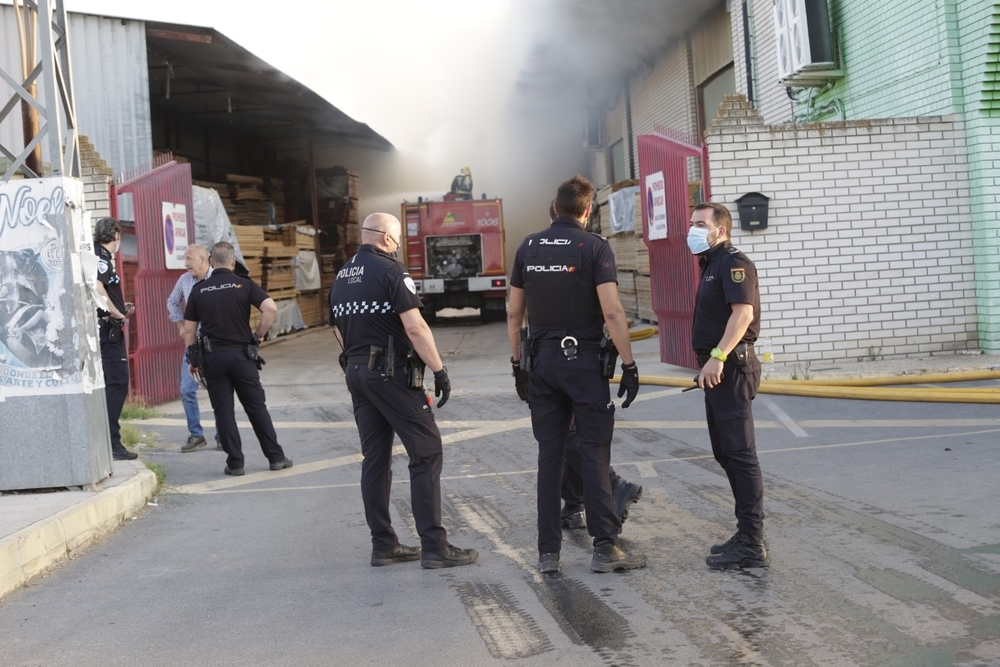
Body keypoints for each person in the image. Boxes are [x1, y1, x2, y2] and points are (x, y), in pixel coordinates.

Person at [507, 175, 644, 574]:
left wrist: (517, 365)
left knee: (550, 457)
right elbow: (613, 312)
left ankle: (548, 554)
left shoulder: (528, 246)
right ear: (587, 210)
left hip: (542, 362)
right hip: (583, 363)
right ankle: (605, 547)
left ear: (555, 206)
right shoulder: (594, 248)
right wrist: (629, 364)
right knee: (593, 453)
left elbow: (515, 313)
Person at [330, 213, 478, 570]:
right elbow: (415, 327)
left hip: (356, 371)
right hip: (391, 374)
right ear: (386, 238)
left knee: (375, 459)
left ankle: (383, 545)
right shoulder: (393, 272)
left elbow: (337, 331)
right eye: (396, 242)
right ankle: (434, 547)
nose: (396, 248)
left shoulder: (341, 276)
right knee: (426, 452)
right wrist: (439, 370)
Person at [688, 202, 769, 570]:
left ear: (720, 230)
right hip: (717, 371)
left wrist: (717, 357)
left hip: (730, 370)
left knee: (740, 454)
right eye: (691, 223)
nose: (692, 228)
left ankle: (752, 543)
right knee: (726, 453)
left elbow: (743, 314)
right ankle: (746, 533)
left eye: (700, 223)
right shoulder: (711, 263)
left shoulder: (734, 262)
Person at [181, 242, 292, 477]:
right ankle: (276, 457)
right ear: (232, 262)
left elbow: (189, 331)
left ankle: (235, 463)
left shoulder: (199, 291)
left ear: (211, 262)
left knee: (224, 411)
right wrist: (258, 336)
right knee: (256, 408)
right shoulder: (245, 284)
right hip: (242, 356)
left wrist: (193, 358)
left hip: (213, 359)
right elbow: (270, 309)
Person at [166, 244, 218, 452]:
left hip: (214, 343)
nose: (186, 264)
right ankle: (196, 434)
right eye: (185, 259)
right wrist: (180, 325)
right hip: (193, 344)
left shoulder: (217, 279)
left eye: (189, 259)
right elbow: (172, 301)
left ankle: (222, 434)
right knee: (187, 390)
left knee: (217, 390)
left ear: (204, 260)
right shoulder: (184, 280)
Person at [94, 217, 137, 461]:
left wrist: (122, 306)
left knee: (113, 383)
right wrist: (117, 312)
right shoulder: (101, 258)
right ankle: (112, 441)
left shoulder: (100, 256)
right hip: (108, 331)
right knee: (118, 383)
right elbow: (99, 289)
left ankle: (110, 439)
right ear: (116, 235)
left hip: (108, 328)